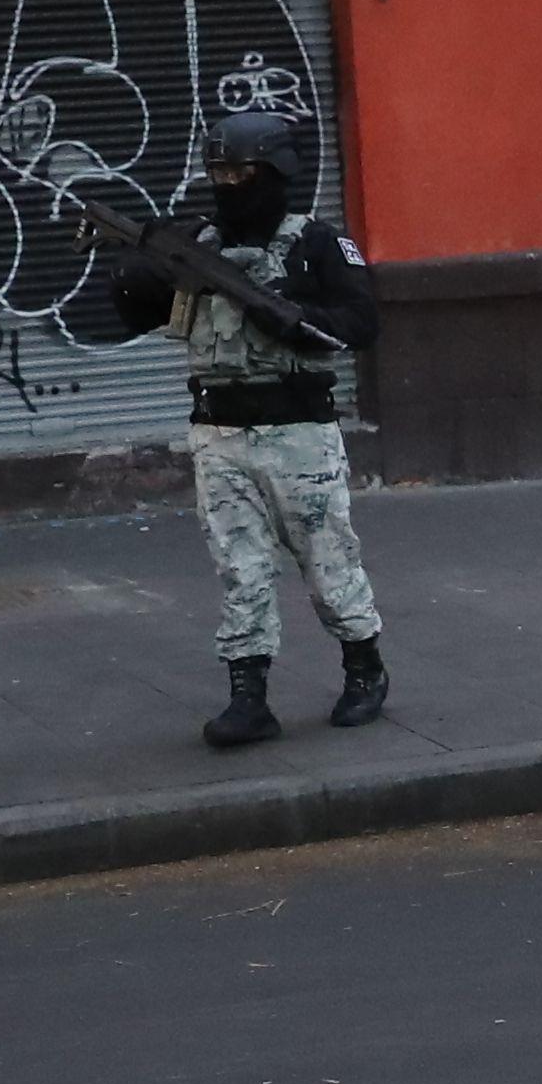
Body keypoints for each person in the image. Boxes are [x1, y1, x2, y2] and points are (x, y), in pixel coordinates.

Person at [110, 106, 388, 751]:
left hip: (299, 434)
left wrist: (285, 312)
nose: (228, 182)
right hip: (219, 434)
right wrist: (136, 275)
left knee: (328, 561)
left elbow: (361, 324)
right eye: (218, 170)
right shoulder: (196, 246)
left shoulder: (316, 243)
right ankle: (249, 696)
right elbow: (132, 314)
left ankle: (364, 668)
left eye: (241, 170)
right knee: (241, 570)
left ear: (275, 171)